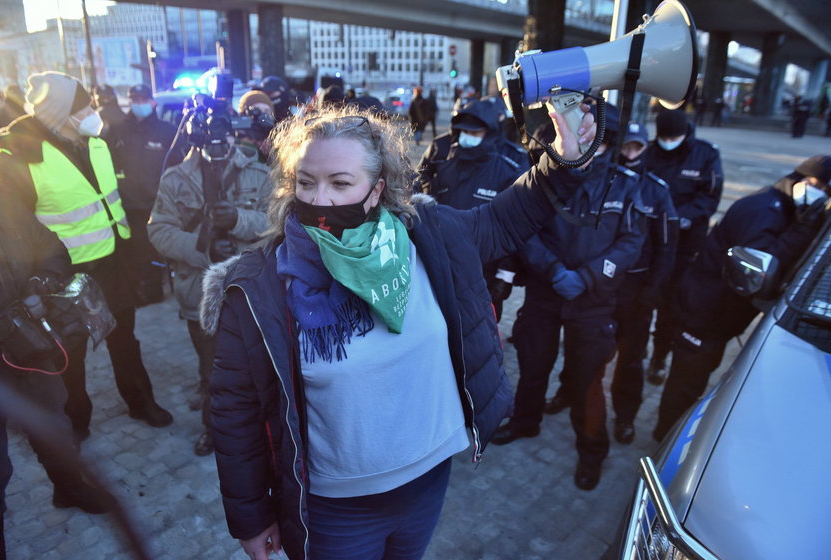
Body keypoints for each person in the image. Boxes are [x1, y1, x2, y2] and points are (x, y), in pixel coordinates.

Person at [197, 103, 597, 560]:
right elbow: (235, 410)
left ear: (376, 190)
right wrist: (251, 516)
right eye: (306, 182)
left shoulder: (428, 237)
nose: (319, 200)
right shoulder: (258, 287)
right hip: (337, 510)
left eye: (340, 183)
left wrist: (564, 161)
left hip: (428, 484)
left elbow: (506, 219)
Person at [0, 71, 173, 441]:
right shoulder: (19, 160)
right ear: (61, 113)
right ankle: (76, 423)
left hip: (111, 263)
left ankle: (141, 403)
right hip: (63, 275)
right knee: (69, 356)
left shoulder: (96, 143)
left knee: (125, 340)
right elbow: (18, 229)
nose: (94, 110)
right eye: (84, 105)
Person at [490, 104, 645, 492]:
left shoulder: (626, 184)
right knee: (532, 363)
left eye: (599, 139)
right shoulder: (545, 177)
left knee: (588, 379)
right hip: (546, 291)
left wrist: (589, 276)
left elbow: (632, 241)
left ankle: (591, 451)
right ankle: (526, 421)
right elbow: (524, 229)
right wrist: (554, 271)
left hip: (592, 300)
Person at [652, 155, 831, 441]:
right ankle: (666, 439)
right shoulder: (765, 210)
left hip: (717, 317)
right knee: (685, 385)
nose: (818, 193)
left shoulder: (788, 208)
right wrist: (803, 231)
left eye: (826, 191)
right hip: (703, 314)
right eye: (814, 184)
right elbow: (758, 275)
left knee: (694, 377)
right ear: (798, 179)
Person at [0, 172, 109, 559]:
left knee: (54, 425)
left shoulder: (2, 195)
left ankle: (69, 488)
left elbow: (52, 248)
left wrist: (38, 282)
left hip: (29, 345)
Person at [148, 118, 272, 456]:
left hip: (252, 291)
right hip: (201, 296)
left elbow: (276, 222)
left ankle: (260, 430)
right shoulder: (176, 179)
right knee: (212, 371)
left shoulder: (259, 174)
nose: (220, 142)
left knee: (258, 367)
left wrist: (238, 220)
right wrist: (202, 249)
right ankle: (214, 430)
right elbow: (159, 230)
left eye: (226, 133)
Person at [416, 98, 530, 320]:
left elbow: (516, 221)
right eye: (463, 132)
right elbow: (420, 181)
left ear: (489, 132)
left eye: (475, 133)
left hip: (484, 267)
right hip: (439, 258)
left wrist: (506, 273)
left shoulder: (512, 162)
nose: (467, 137)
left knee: (479, 331)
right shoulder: (442, 149)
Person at [608, 121, 678, 444]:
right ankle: (571, 393)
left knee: (631, 358)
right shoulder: (604, 179)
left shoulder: (657, 190)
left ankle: (625, 416)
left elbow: (667, 247)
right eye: (627, 146)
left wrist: (653, 291)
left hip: (637, 291)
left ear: (645, 148)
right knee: (587, 349)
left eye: (637, 147)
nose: (631, 153)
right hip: (603, 284)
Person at [644, 109, 723, 384]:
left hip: (684, 245)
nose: (668, 141)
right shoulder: (649, 152)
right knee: (643, 298)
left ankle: (659, 357)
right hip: (649, 244)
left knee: (671, 304)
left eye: (673, 136)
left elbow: (709, 198)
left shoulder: (705, 154)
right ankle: (634, 347)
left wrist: (679, 219)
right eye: (663, 137)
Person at [110, 83, 179, 306]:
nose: (138, 103)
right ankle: (145, 293)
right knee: (137, 254)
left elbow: (178, 165)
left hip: (159, 204)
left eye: (142, 99)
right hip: (129, 206)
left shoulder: (167, 131)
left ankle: (155, 291)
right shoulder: (118, 130)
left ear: (152, 101)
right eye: (134, 99)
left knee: (157, 251)